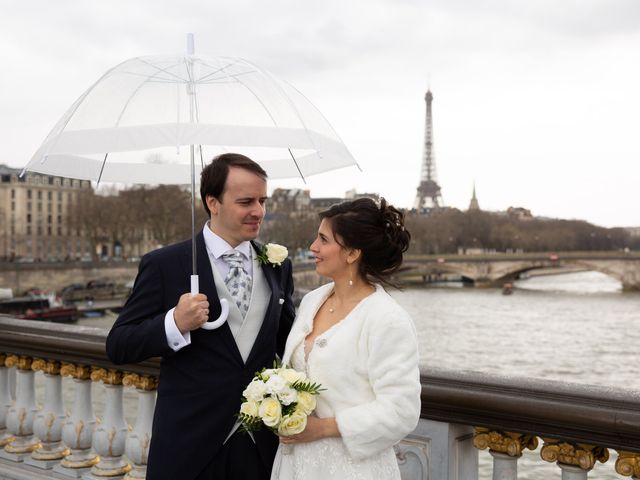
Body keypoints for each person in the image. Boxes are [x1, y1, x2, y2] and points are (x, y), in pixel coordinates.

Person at [106, 153, 295, 480]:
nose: (259, 211)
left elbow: (289, 343)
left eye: (263, 200)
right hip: (189, 448)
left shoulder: (278, 265)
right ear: (213, 202)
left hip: (260, 447)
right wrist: (174, 323)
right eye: (246, 201)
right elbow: (119, 345)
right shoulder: (165, 264)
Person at [271, 197, 421, 480]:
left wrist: (325, 427)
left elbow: (402, 410)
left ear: (352, 253)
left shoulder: (387, 319)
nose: (312, 247)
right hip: (296, 464)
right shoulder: (313, 300)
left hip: (352, 468)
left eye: (323, 240)